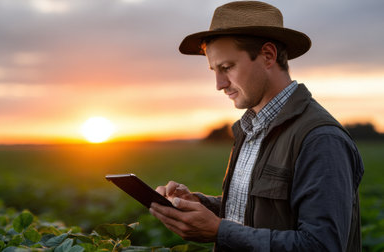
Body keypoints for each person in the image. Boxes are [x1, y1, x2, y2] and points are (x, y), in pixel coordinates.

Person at [149, 1, 364, 251]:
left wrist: (218, 230)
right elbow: (254, 212)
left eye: (227, 67)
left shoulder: (320, 139)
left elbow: (321, 245)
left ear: (268, 56)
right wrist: (199, 205)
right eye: (214, 70)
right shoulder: (250, 129)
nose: (219, 84)